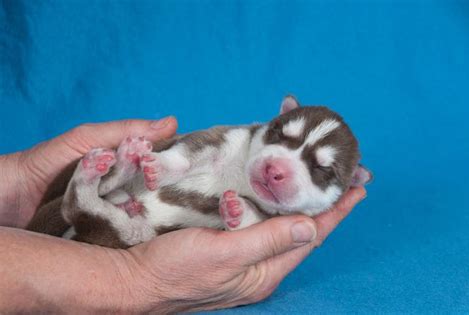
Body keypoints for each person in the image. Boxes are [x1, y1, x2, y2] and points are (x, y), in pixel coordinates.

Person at [0, 117, 366, 313]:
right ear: (276, 118)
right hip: (133, 187)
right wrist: (131, 281)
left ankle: (85, 199)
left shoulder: (276, 214)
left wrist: (19, 176)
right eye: (280, 137)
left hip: (129, 221)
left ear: (349, 186)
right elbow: (199, 148)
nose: (278, 166)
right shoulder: (240, 139)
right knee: (113, 179)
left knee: (125, 230)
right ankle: (84, 192)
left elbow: (246, 235)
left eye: (320, 170)